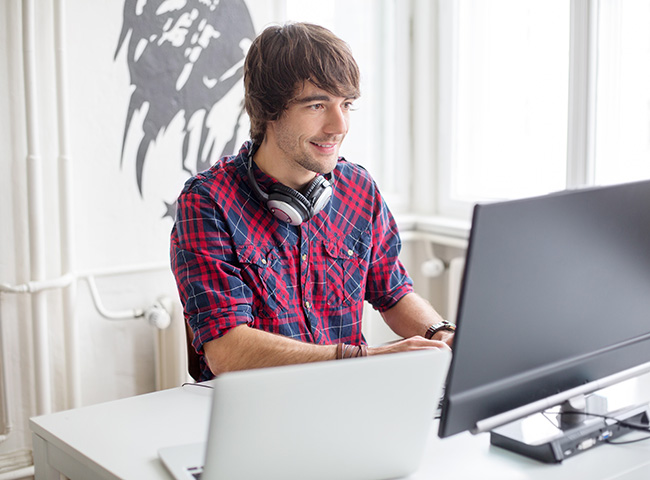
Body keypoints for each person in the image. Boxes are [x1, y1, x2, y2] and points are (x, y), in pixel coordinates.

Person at [170, 22, 454, 381]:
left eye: (346, 105)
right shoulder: (208, 202)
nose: (339, 126)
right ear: (269, 110)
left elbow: (393, 292)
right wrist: (371, 358)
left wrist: (441, 333)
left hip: (346, 397)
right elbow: (227, 351)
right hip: (257, 411)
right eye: (318, 105)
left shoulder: (358, 187)